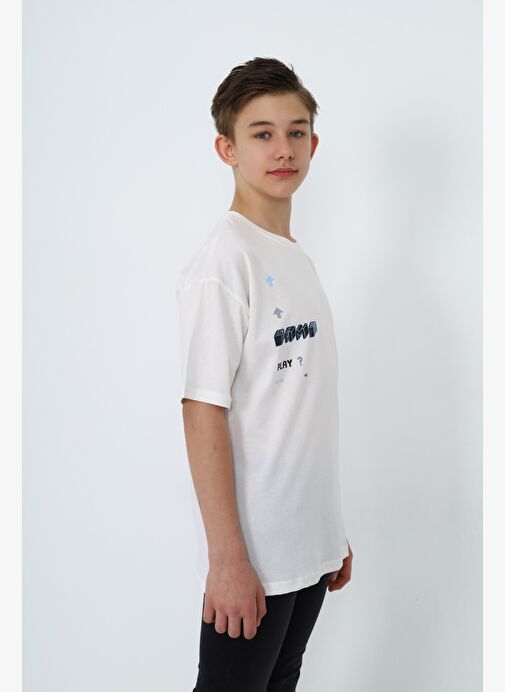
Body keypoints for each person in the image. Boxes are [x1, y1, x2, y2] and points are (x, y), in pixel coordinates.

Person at [176, 56, 353, 692]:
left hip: (307, 545)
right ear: (226, 148)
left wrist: (330, 530)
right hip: (255, 556)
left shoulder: (293, 257)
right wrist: (227, 559)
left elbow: (297, 408)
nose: (284, 149)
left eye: (296, 131)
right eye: (262, 133)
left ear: (314, 143)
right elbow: (202, 409)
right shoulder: (224, 263)